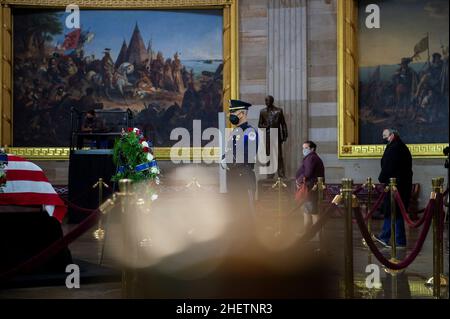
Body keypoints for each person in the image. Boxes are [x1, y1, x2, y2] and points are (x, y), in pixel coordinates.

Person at [373, 128, 412, 249]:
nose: (384, 139)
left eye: (385, 136)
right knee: (397, 213)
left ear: (392, 135)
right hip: (401, 185)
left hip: (395, 186)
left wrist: (381, 178)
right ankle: (400, 241)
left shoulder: (394, 148)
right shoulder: (400, 146)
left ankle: (385, 237)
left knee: (392, 211)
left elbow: (388, 166)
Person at [221, 99, 259, 220]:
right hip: (233, 176)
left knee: (246, 214)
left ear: (242, 114)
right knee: (234, 214)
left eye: (234, 112)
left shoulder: (250, 132)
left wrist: (229, 161)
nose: (230, 116)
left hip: (244, 177)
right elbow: (229, 151)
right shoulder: (235, 132)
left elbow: (248, 154)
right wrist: (223, 159)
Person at [295, 141, 325, 231]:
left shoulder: (311, 158)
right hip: (310, 187)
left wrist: (298, 180)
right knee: (307, 211)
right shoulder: (311, 157)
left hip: (310, 188)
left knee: (312, 211)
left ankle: (316, 234)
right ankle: (307, 232)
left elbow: (307, 173)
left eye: (306, 148)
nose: (303, 150)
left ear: (312, 149)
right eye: (303, 148)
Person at [258, 95, 288, 178]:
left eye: (267, 100)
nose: (266, 102)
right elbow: (259, 125)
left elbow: (283, 124)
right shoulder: (262, 111)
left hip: (276, 136)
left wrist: (285, 135)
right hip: (267, 137)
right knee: (268, 155)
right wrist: (265, 126)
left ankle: (281, 174)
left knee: (279, 156)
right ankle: (270, 174)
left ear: (271, 101)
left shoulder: (278, 111)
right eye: (265, 100)